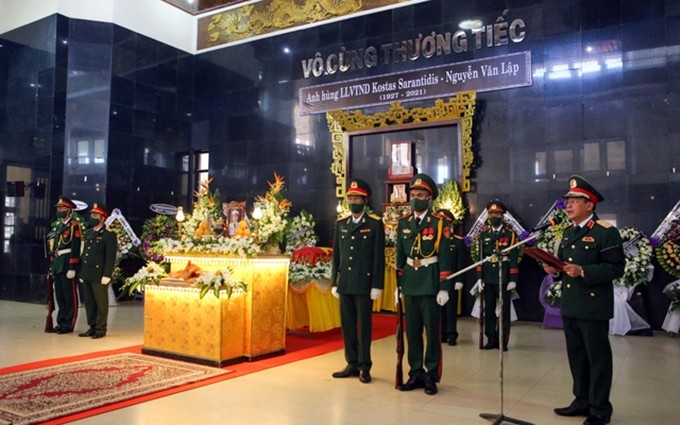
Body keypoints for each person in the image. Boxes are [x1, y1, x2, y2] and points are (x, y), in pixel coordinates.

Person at [543, 176, 625, 425]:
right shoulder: (568, 232)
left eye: (574, 201)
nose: (568, 206)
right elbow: (562, 262)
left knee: (597, 358)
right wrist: (553, 269)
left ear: (590, 205)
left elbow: (616, 268)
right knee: (576, 355)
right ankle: (581, 400)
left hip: (593, 305)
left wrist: (585, 271)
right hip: (571, 303)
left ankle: (600, 408)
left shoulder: (606, 232)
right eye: (567, 201)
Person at [395, 173, 452, 395]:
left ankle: (431, 375)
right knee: (413, 332)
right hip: (410, 283)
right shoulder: (404, 223)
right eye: (413, 194)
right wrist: (397, 287)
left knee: (431, 332)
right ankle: (415, 372)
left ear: (429, 198)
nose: (415, 198)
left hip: (430, 283)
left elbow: (445, 256)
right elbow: (400, 257)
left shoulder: (440, 222)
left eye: (420, 195)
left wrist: (444, 286)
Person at [331, 178, 385, 384]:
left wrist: (377, 285)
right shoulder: (341, 224)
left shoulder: (374, 224)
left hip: (364, 284)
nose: (353, 201)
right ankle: (351, 363)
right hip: (345, 283)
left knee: (364, 326)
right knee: (347, 326)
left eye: (356, 198)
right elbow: (337, 255)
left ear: (364, 200)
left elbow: (378, 257)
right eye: (350, 198)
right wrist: (335, 281)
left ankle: (364, 365)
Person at [474, 200, 518, 351]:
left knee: (504, 310)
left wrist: (513, 279)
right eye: (491, 214)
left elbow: (513, 258)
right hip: (488, 276)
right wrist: (480, 278)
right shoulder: (483, 234)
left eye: (497, 214)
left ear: (502, 216)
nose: (494, 216)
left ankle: (502, 340)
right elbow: (480, 258)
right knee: (489, 308)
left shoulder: (510, 235)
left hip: (503, 276)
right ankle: (490, 337)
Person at [79, 203, 118, 339]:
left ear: (102, 218)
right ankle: (92, 326)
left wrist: (107, 274)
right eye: (91, 214)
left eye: (95, 215)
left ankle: (101, 329)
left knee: (101, 303)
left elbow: (110, 257)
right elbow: (85, 254)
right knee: (89, 303)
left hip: (100, 275)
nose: (92, 217)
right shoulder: (89, 233)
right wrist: (82, 273)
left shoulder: (109, 235)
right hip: (87, 273)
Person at [47, 196, 82, 334]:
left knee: (69, 296)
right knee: (60, 296)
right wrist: (51, 267)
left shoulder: (74, 226)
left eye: (61, 208)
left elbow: (75, 246)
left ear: (68, 210)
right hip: (58, 264)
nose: (59, 210)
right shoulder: (59, 226)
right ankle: (61, 322)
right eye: (58, 208)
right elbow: (54, 248)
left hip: (67, 263)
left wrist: (73, 266)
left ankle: (69, 324)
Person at [436, 209, 466, 346]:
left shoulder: (458, 242)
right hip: (436, 280)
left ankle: (451, 334)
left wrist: (459, 280)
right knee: (437, 309)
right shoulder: (434, 241)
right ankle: (440, 334)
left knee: (450, 309)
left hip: (452, 280)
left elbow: (461, 262)